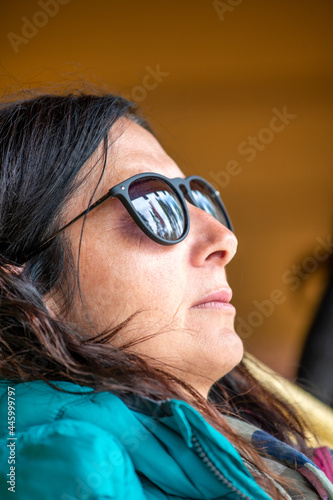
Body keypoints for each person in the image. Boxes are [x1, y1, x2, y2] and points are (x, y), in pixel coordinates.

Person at [0, 91, 332, 500]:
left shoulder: (283, 454)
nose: (225, 239)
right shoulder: (63, 471)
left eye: (198, 200)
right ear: (27, 284)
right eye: (154, 204)